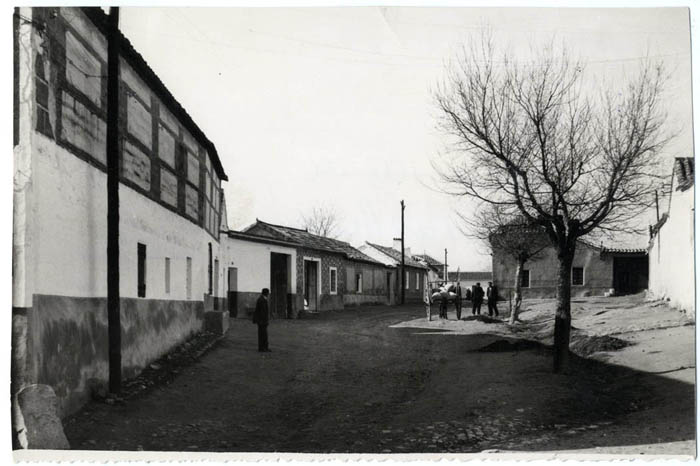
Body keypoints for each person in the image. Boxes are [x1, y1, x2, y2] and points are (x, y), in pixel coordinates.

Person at [253, 288, 271, 352]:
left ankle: (264, 347)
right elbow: (262, 312)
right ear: (266, 293)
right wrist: (264, 320)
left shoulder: (262, 299)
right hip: (262, 320)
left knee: (263, 334)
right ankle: (262, 348)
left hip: (262, 320)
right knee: (262, 334)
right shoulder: (262, 300)